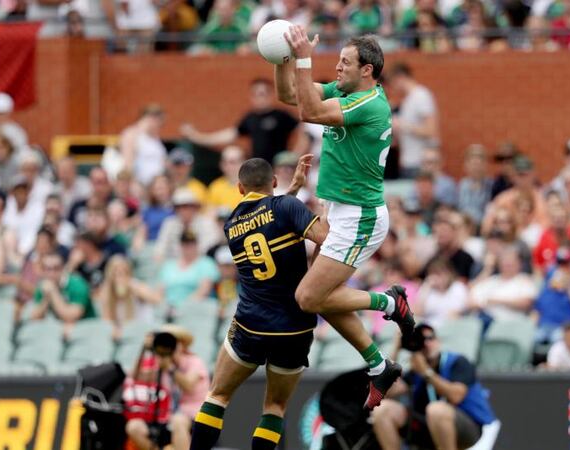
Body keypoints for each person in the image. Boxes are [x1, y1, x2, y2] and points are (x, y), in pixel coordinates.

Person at [190, 157, 395, 450]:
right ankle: (386, 303)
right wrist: (325, 209)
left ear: (239, 188)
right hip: (293, 328)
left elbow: (267, 220)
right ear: (273, 182)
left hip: (251, 323)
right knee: (274, 407)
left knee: (217, 397)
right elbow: (321, 235)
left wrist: (293, 192)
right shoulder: (286, 207)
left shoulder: (231, 222)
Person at [275, 32, 415, 408]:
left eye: (345, 63)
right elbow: (291, 96)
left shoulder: (369, 103)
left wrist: (304, 59)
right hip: (339, 211)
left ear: (367, 70)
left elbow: (309, 113)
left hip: (360, 216)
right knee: (322, 299)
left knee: (307, 297)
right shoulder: (349, 94)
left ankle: (388, 303)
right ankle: (378, 366)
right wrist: (280, 57)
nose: (336, 67)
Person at [372, 324, 497, 450]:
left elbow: (456, 396)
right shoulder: (416, 370)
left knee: (436, 410)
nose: (426, 344)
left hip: (468, 426)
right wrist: (396, 348)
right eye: (421, 340)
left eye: (430, 338)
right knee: (382, 410)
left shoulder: (457, 362)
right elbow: (385, 393)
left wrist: (426, 372)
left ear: (438, 342)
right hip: (428, 425)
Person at [180, 78, 299, 164]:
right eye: (255, 94)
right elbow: (229, 135)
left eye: (262, 94)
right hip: (259, 168)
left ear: (271, 95)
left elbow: (303, 131)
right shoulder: (250, 118)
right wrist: (198, 136)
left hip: (280, 168)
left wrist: (294, 157)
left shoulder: (281, 115)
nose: (259, 98)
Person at [123, 332, 177, 450]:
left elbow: (164, 370)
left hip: (170, 418)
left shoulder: (174, 363)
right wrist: (144, 349)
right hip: (150, 419)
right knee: (133, 427)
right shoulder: (150, 361)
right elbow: (136, 375)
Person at [160, 324, 210, 450]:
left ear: (181, 344)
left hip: (195, 414)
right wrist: (146, 349)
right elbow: (136, 376)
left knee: (178, 421)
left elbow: (188, 385)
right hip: (168, 414)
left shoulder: (195, 361)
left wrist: (170, 369)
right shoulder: (163, 363)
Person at [387, 62, 440, 178]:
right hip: (408, 163)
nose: (394, 88)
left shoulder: (421, 96)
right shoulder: (407, 100)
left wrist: (403, 125)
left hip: (420, 162)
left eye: (393, 82)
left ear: (400, 77)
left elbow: (431, 130)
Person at [533, 245, 570, 343]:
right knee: (528, 338)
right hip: (544, 328)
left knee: (557, 338)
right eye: (560, 264)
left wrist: (569, 287)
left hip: (566, 330)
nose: (563, 268)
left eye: (567, 264)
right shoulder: (548, 285)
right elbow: (536, 311)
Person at [157, 230, 219, 318]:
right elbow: (160, 292)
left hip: (195, 311)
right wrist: (167, 307)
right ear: (180, 245)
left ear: (197, 244)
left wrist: (181, 308)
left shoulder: (206, 263)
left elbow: (203, 291)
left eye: (191, 244)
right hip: (169, 310)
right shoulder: (169, 265)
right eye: (185, 244)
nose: (188, 247)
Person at [98, 255, 162, 336]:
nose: (119, 277)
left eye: (123, 272)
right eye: (115, 273)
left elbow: (156, 300)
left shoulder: (136, 285)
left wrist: (131, 285)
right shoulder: (107, 292)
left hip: (143, 332)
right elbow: (107, 322)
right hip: (124, 336)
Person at [29, 252, 96, 323]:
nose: (52, 273)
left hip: (87, 329)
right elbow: (35, 318)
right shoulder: (43, 286)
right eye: (47, 269)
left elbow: (71, 317)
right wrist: (46, 298)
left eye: (56, 268)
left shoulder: (78, 285)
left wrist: (53, 292)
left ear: (63, 268)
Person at [119, 104, 168, 186]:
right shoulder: (132, 134)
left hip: (156, 187)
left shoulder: (156, 140)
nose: (159, 125)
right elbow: (127, 164)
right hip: (140, 185)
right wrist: (133, 184)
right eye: (157, 120)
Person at [206, 146, 244, 211]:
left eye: (232, 162)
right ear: (221, 164)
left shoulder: (254, 187)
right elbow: (210, 215)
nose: (228, 166)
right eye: (225, 162)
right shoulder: (215, 187)